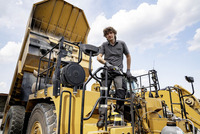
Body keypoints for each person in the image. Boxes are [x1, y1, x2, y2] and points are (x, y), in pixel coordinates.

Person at [97, 26, 132, 127]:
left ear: (114, 33)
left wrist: (128, 70)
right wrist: (106, 63)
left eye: (111, 33)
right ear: (106, 36)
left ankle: (119, 115)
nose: (109, 35)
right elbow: (99, 57)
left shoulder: (122, 44)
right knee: (103, 93)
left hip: (118, 72)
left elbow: (128, 56)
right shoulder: (104, 45)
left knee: (121, 91)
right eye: (107, 34)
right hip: (107, 71)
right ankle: (102, 117)